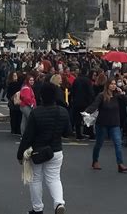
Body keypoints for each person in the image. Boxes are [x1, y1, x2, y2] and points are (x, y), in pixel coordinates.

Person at [17, 83, 68, 214]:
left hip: (38, 150)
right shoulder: (63, 111)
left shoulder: (36, 113)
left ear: (41, 96)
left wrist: (20, 154)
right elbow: (68, 132)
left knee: (35, 179)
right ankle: (59, 203)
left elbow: (27, 136)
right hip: (56, 150)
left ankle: (37, 208)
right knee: (54, 178)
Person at [84, 78, 127, 173]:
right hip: (102, 123)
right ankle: (95, 160)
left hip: (115, 123)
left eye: (115, 84)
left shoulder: (117, 96)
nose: (113, 85)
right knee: (99, 143)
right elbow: (94, 105)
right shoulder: (101, 96)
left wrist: (122, 93)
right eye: (111, 84)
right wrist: (86, 112)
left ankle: (120, 164)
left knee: (118, 143)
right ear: (107, 85)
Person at [70, 68, 95, 140]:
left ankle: (78, 134)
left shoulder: (76, 80)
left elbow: (73, 91)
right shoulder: (88, 81)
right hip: (86, 102)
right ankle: (91, 134)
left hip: (77, 102)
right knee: (88, 119)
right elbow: (90, 92)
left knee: (77, 119)